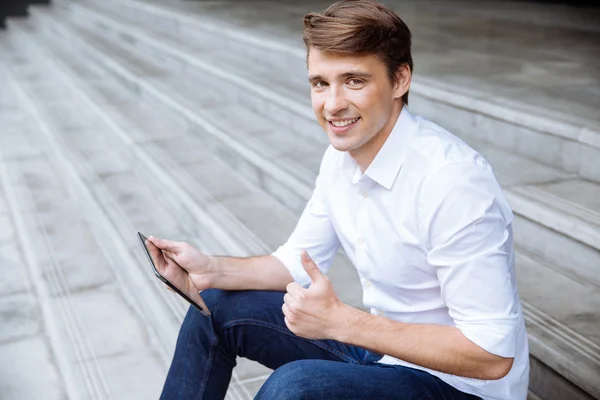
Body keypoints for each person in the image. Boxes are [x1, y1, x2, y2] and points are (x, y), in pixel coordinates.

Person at [147, 0, 529, 399]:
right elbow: (296, 260)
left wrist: (341, 323)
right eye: (320, 83)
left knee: (295, 389)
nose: (332, 104)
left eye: (355, 81)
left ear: (400, 80)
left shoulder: (452, 183)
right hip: (386, 354)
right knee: (214, 309)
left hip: (461, 386)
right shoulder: (341, 159)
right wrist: (211, 270)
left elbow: (491, 355)